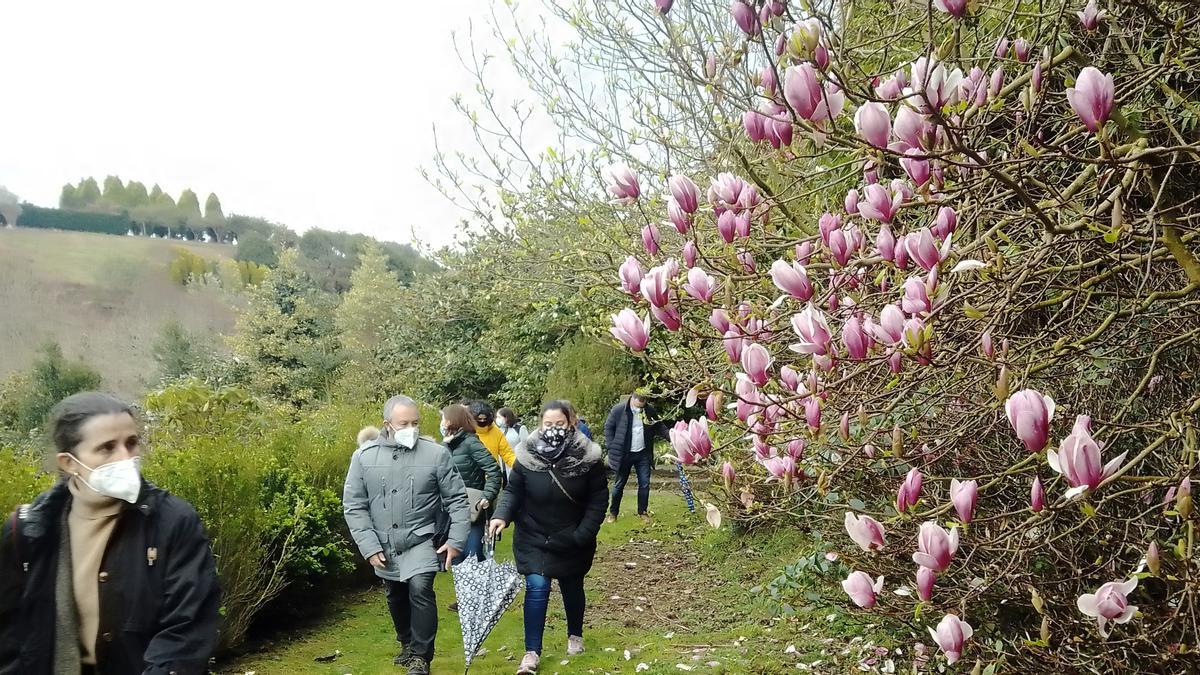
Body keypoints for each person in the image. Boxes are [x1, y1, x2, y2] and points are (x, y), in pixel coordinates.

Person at [0, 392, 221, 674]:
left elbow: (186, 629)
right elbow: (10, 636)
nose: (125, 458)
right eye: (107, 448)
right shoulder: (29, 530)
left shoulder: (173, 521)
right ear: (69, 463)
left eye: (131, 443)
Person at [343, 395, 471, 675]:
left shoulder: (436, 454)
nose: (410, 428)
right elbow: (354, 505)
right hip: (384, 542)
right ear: (387, 423)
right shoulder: (364, 457)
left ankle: (421, 657)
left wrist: (455, 540)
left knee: (420, 589)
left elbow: (458, 500)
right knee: (395, 594)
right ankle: (407, 642)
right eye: (404, 423)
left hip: (421, 538)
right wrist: (368, 544)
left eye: (415, 423)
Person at [489, 400, 608, 675]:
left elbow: (599, 499)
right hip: (534, 534)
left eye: (560, 425)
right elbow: (513, 491)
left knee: (571, 586)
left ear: (571, 424)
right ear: (540, 424)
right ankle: (531, 653)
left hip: (572, 536)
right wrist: (501, 516)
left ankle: (575, 635)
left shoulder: (589, 457)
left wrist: (583, 533)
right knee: (537, 587)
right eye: (548, 425)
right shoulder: (527, 455)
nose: (553, 430)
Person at [439, 405, 501, 569]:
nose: (442, 422)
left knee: (473, 556)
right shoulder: (443, 446)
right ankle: (466, 594)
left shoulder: (470, 442)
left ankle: (479, 592)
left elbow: (494, 471)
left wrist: (486, 496)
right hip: (450, 511)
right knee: (456, 557)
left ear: (452, 420)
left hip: (473, 510)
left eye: (443, 418)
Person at [603, 391, 669, 525]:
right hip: (624, 454)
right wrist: (611, 445)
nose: (640, 409)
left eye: (642, 406)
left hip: (642, 454)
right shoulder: (619, 410)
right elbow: (608, 427)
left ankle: (642, 512)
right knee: (619, 485)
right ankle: (613, 513)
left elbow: (659, 426)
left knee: (644, 484)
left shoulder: (649, 411)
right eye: (638, 406)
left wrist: (672, 437)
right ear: (632, 399)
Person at [467, 400, 517, 472]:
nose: (482, 421)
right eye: (479, 419)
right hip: (472, 477)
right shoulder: (465, 431)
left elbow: (507, 454)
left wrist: (520, 467)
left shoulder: (496, 432)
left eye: (484, 419)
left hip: (493, 476)